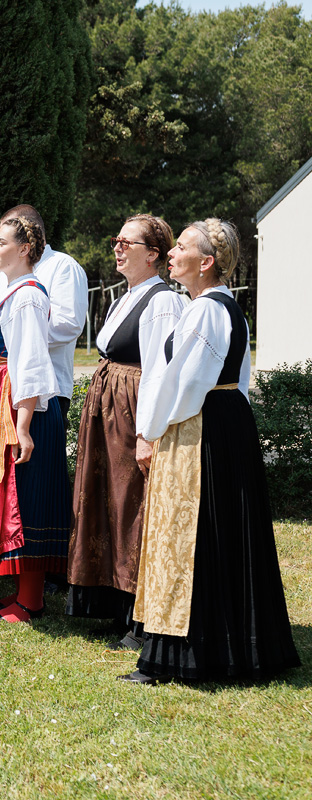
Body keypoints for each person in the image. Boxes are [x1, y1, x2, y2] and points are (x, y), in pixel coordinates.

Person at [126, 218, 300, 684]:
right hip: (225, 424)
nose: (171, 253)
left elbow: (183, 383)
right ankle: (226, 646)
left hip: (200, 426)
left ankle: (185, 653)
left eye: (180, 247)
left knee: (192, 536)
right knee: (216, 535)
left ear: (206, 263)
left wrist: (151, 430)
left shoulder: (205, 310)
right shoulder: (223, 308)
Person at [66, 215, 185, 647]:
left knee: (134, 505)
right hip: (110, 409)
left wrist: (147, 434)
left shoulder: (162, 302)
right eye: (115, 240)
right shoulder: (127, 297)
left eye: (126, 242)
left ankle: (141, 616)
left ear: (153, 254)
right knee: (109, 504)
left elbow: (159, 370)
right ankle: (116, 604)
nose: (116, 248)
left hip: (133, 413)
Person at [0, 217, 71, 623]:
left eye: (1, 242)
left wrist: (24, 426)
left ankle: (31, 598)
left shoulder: (27, 297)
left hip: (20, 409)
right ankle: (21, 592)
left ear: (25, 249)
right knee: (14, 494)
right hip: (2, 403)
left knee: (25, 497)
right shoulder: (9, 292)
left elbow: (29, 363)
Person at [0, 205, 87, 417]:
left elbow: (69, 323)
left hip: (46, 389)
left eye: (4, 240)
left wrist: (15, 339)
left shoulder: (63, 266)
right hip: (2, 384)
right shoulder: (0, 278)